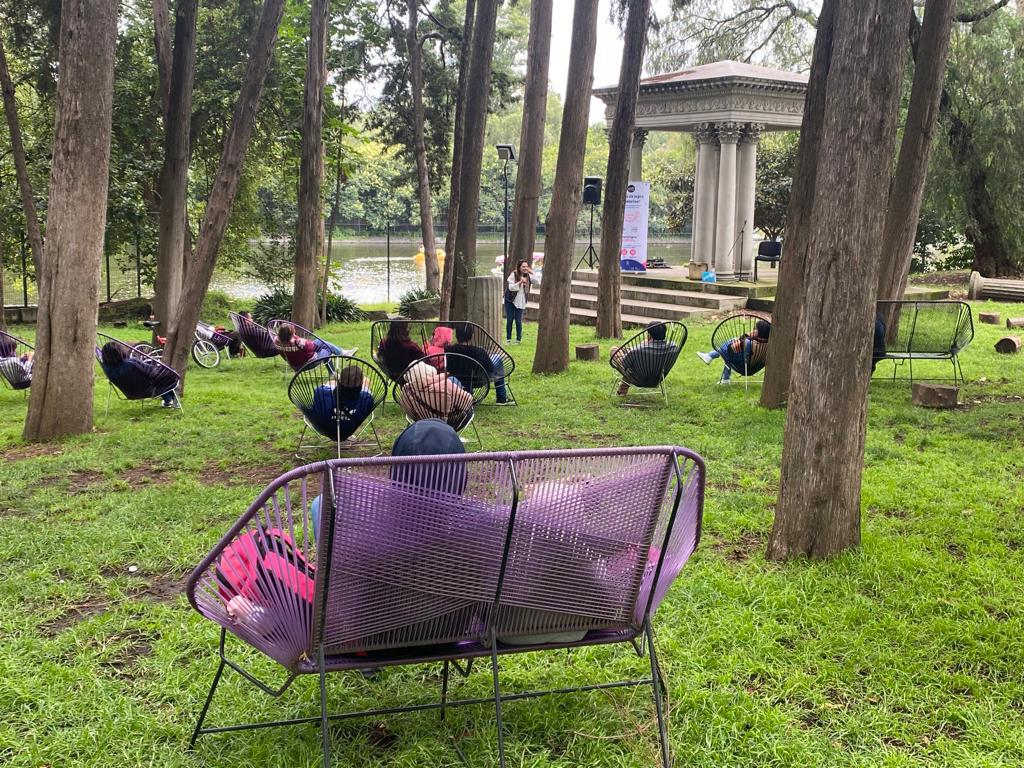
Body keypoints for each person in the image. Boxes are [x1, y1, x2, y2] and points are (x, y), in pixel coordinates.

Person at [445, 322, 510, 404]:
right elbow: (490, 369)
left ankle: (468, 394)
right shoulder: (479, 352)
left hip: (456, 380)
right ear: (472, 336)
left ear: (456, 335)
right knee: (497, 357)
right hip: (479, 380)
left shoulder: (448, 351)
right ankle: (501, 397)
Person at [99, 341, 178, 408]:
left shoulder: (107, 369)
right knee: (167, 375)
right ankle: (170, 400)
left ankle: (169, 400)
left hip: (130, 393)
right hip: (148, 390)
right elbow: (152, 372)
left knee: (157, 378)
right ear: (120, 351)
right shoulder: (131, 364)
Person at [307, 365, 376, 439]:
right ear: (361, 383)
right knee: (367, 380)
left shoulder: (320, 393)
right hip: (349, 429)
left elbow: (325, 388)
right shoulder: (367, 399)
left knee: (331, 382)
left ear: (339, 381)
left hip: (324, 428)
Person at [612, 321, 679, 396]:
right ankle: (622, 389)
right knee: (632, 357)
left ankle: (622, 389)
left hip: (638, 379)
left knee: (614, 350)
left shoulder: (638, 350)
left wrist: (642, 345)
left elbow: (624, 364)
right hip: (657, 378)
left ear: (649, 335)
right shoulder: (674, 348)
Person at [398, 360, 474, 425]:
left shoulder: (406, 389)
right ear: (429, 372)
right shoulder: (446, 385)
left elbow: (409, 411)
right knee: (468, 411)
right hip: (448, 424)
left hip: (421, 423)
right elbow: (467, 402)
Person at [696, 319, 770, 383]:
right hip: (755, 368)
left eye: (755, 328)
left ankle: (711, 356)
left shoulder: (749, 343)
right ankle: (725, 378)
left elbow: (731, 348)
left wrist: (747, 335)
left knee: (730, 348)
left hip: (743, 367)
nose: (753, 329)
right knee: (731, 348)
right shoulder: (770, 346)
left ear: (757, 332)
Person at [275, 323, 341, 370]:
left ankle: (342, 352)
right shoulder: (298, 342)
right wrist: (303, 340)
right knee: (326, 348)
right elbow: (311, 347)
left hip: (294, 365)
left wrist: (294, 337)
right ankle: (340, 356)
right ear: (291, 334)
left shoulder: (276, 341)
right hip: (308, 364)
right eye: (294, 332)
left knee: (319, 341)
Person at [505, 260, 532, 344]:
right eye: (523, 266)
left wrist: (532, 272)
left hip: (521, 300)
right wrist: (520, 282)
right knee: (510, 319)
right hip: (510, 299)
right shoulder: (514, 274)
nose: (525, 268)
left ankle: (518, 339)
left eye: (526, 266)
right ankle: (508, 339)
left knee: (518, 320)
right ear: (519, 267)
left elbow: (537, 281)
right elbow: (511, 287)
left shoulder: (528, 275)